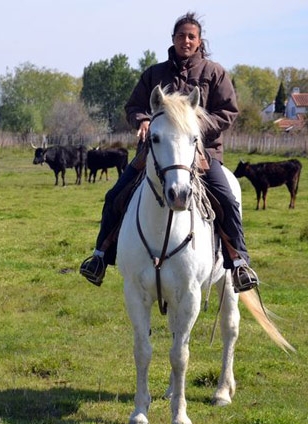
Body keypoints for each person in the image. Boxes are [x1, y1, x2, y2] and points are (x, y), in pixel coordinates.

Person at [79, 11, 258, 293]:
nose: (185, 41)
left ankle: (239, 264)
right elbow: (134, 107)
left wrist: (194, 127)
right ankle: (100, 257)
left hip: (201, 153)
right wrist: (143, 120)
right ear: (173, 39)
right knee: (115, 195)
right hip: (155, 153)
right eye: (180, 36)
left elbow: (229, 112)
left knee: (226, 197)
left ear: (199, 41)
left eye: (191, 36)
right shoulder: (154, 73)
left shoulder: (214, 73)